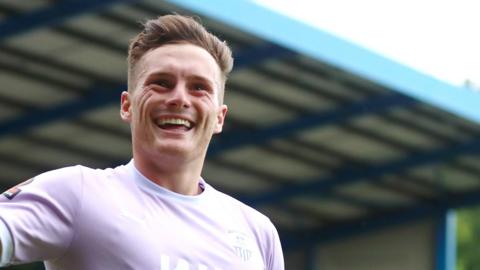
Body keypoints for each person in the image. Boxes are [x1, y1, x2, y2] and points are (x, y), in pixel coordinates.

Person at [0, 14, 284, 270]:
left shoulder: (257, 233)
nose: (179, 98)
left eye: (199, 88)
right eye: (161, 82)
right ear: (128, 106)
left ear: (219, 118)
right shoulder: (78, 193)